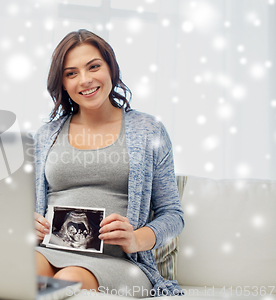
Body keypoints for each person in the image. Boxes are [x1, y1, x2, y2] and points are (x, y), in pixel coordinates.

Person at [33, 29, 184, 297]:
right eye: (71, 73)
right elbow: (24, 207)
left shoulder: (148, 130)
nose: (85, 80)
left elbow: (173, 214)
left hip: (118, 263)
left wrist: (136, 239)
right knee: (22, 272)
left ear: (111, 69)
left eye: (94, 67)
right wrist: (27, 224)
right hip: (47, 251)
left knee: (67, 283)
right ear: (63, 83)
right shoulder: (47, 135)